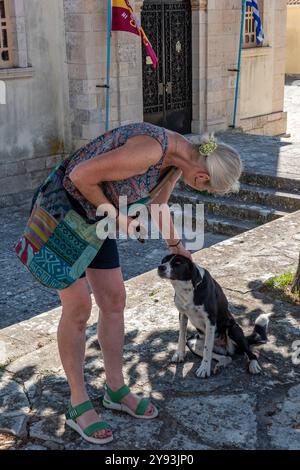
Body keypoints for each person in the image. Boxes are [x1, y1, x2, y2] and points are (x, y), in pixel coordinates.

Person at [38, 122, 242, 444]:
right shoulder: (151, 149)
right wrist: (120, 219)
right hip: (63, 216)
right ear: (202, 177)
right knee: (78, 308)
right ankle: (78, 403)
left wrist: (175, 245)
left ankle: (115, 390)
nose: (199, 191)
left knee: (114, 300)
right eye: (205, 190)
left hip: (95, 221)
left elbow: (158, 203)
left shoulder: (178, 159)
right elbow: (79, 175)